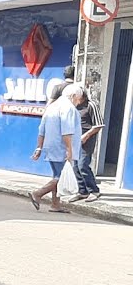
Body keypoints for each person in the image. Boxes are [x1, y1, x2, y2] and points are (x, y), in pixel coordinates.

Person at [29, 83, 84, 213]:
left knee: (58, 174)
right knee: (61, 177)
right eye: (78, 99)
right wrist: (69, 150)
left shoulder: (52, 107)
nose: (78, 102)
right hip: (62, 148)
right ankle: (38, 194)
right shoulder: (69, 108)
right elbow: (67, 131)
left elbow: (41, 130)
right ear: (73, 96)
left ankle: (55, 204)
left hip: (51, 147)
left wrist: (39, 148)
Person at [72, 85, 103, 202]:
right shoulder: (74, 106)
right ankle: (82, 191)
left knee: (83, 165)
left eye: (75, 96)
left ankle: (94, 190)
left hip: (87, 140)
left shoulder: (91, 105)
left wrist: (86, 135)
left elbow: (99, 125)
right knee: (75, 167)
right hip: (75, 140)